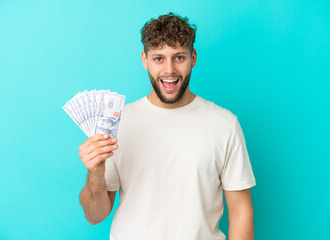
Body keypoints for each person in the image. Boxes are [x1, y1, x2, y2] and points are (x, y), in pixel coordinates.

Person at [79, 12, 256, 240]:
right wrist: (95, 174)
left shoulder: (225, 124)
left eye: (179, 57)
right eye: (159, 58)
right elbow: (95, 216)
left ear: (193, 58)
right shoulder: (118, 124)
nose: (169, 70)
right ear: (145, 59)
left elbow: (241, 211)